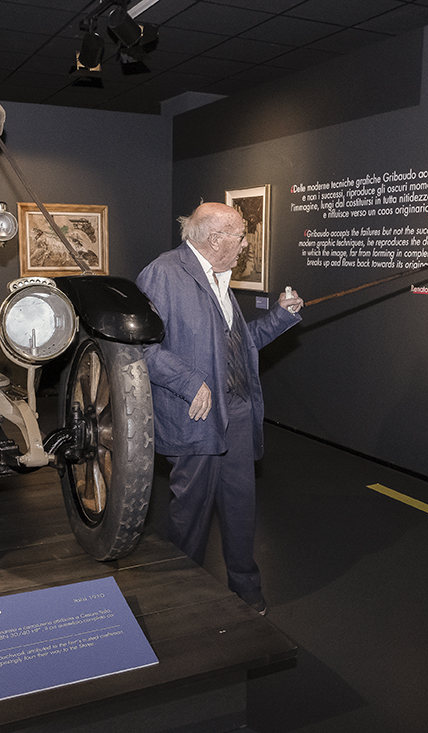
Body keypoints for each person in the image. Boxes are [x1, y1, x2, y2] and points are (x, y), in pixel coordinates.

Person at [136, 201, 304, 615]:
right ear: (215, 239)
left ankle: (245, 587)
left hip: (237, 412)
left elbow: (236, 348)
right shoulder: (163, 273)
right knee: (190, 515)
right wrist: (190, 381)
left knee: (240, 506)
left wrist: (281, 318)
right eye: (241, 235)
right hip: (194, 416)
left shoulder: (218, 278)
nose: (246, 244)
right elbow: (141, 347)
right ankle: (182, 596)